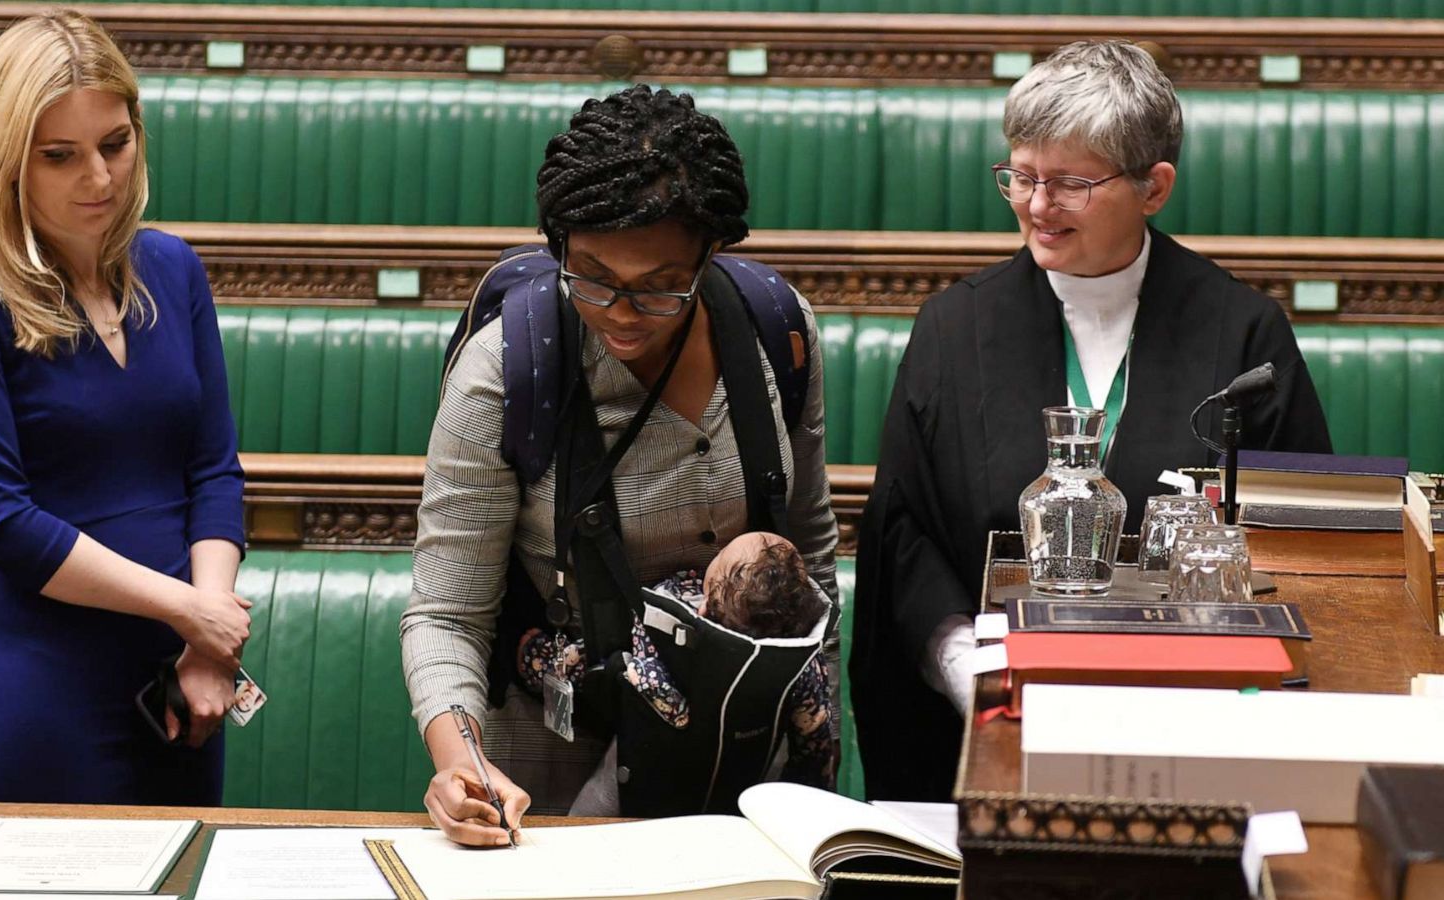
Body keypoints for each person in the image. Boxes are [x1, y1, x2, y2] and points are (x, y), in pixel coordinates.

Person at [850, 40, 1333, 803]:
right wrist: (968, 676)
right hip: (992, 722)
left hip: (1193, 725)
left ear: (1154, 187)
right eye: (1021, 176)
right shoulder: (952, 327)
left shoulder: (1243, 334)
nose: (1037, 206)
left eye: (1071, 182)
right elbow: (903, 532)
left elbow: (1300, 543)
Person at [401, 84, 839, 846]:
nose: (623, 312)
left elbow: (812, 557)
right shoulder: (503, 374)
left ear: (710, 254)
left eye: (662, 286)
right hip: (549, 759)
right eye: (591, 276)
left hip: (736, 756)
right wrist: (459, 764)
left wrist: (812, 744)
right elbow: (446, 613)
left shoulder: (778, 333)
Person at [0, 10, 250, 804]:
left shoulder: (172, 267)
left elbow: (213, 470)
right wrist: (195, 613)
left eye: (115, 144)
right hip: (40, 693)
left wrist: (206, 644)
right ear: (6, 160)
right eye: (59, 156)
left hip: (183, 687)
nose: (99, 178)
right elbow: (2, 522)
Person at [516, 531, 838, 805]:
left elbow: (586, 667)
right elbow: (816, 742)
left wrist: (535, 657)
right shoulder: (803, 667)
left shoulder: (667, 641)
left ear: (703, 606)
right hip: (744, 798)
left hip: (644, 799)